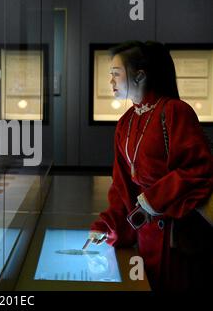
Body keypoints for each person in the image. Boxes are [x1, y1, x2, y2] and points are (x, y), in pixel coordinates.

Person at [88, 41, 213, 291]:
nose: (111, 82)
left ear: (139, 75)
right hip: (145, 234)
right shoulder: (125, 123)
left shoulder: (175, 111)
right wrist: (108, 224)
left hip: (176, 237)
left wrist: (154, 198)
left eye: (116, 74)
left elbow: (198, 170)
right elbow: (122, 187)